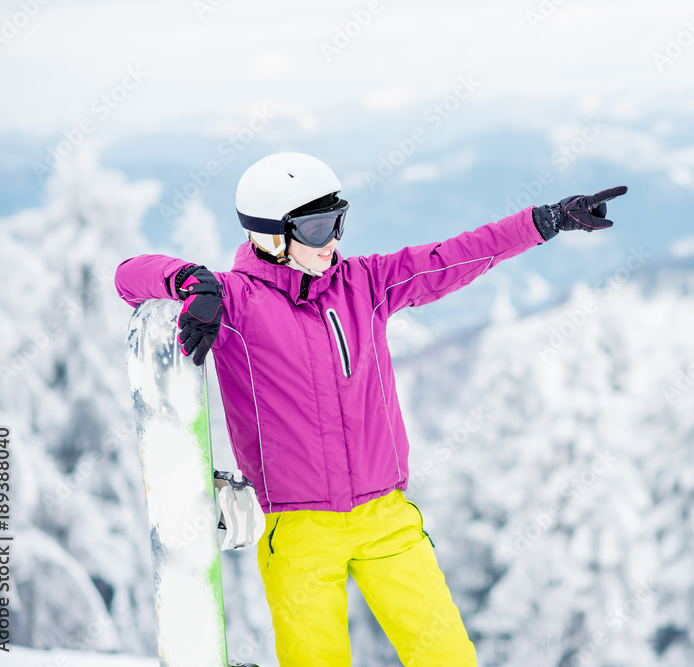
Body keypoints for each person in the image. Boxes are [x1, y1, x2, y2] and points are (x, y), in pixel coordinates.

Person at [114, 152, 626, 666]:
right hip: (298, 530)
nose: (332, 240)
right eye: (316, 228)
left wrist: (544, 221)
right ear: (270, 236)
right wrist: (191, 282)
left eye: (337, 221)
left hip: (386, 518)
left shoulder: (365, 284)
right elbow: (128, 275)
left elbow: (455, 256)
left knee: (448, 657)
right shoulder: (237, 302)